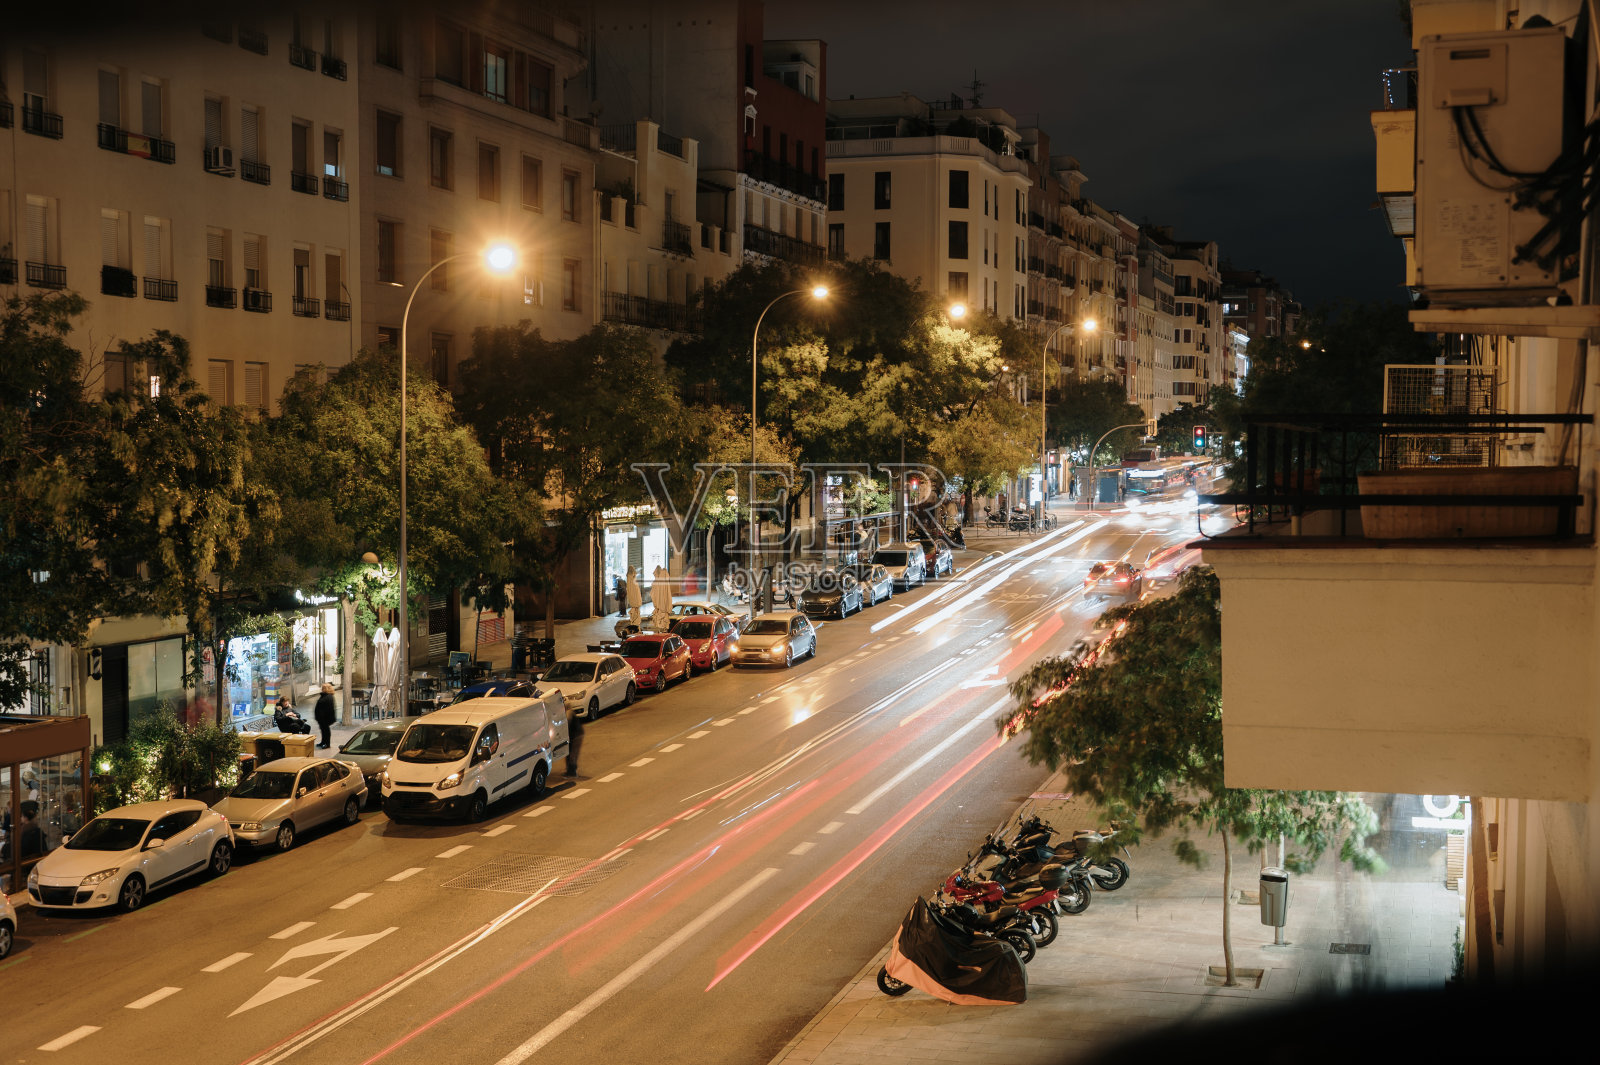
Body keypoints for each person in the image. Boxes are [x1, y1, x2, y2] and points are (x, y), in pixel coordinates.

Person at [314, 681, 337, 749]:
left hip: (325, 718)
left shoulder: (328, 697)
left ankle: (327, 744)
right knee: (323, 730)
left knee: (325, 730)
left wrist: (323, 717)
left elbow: (329, 709)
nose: (321, 689)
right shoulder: (325, 695)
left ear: (326, 689)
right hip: (321, 717)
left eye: (323, 688)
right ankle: (323, 742)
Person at [565, 711, 585, 778]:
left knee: (573, 754)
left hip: (577, 736)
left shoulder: (568, 714)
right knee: (569, 753)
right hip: (573, 736)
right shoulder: (568, 713)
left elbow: (568, 726)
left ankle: (572, 772)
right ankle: (570, 770)